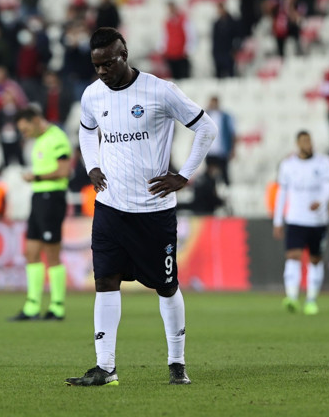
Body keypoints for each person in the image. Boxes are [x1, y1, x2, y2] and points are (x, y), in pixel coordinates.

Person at [66, 27, 218, 387]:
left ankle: (177, 363)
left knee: (166, 286)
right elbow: (86, 131)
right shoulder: (92, 96)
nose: (101, 71)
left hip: (154, 211)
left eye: (107, 63)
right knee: (105, 282)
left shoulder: (159, 91)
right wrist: (92, 166)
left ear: (124, 54)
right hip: (110, 208)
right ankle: (106, 368)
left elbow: (206, 129)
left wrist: (183, 176)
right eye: (96, 65)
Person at [8, 106, 73, 321]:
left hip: (52, 198)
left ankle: (57, 306)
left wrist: (35, 177)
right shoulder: (39, 141)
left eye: (25, 129)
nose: (24, 133)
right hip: (38, 199)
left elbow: (64, 170)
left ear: (36, 120)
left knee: (51, 253)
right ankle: (32, 306)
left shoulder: (57, 138)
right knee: (31, 252)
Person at [272, 131, 329, 315]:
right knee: (293, 256)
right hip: (295, 218)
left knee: (315, 259)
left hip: (318, 220)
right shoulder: (288, 165)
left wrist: (321, 201)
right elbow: (282, 194)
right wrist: (278, 220)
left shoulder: (324, 162)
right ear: (297, 143)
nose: (307, 144)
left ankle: (311, 300)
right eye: (303, 141)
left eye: (309, 140)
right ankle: (291, 297)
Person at [204, 95, 236, 186]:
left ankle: (227, 191)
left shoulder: (225, 116)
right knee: (209, 175)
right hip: (209, 151)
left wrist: (232, 149)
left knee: (224, 173)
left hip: (222, 151)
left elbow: (232, 133)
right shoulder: (206, 115)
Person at [161, 2, 195, 80]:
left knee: (184, 76)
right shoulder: (167, 22)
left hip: (182, 54)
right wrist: (164, 49)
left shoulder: (184, 20)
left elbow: (190, 34)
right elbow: (164, 36)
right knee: (174, 77)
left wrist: (188, 49)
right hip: (171, 54)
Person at [212, 2, 240, 77]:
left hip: (229, 52)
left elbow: (237, 37)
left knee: (230, 74)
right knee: (219, 75)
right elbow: (215, 40)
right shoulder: (216, 24)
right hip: (219, 53)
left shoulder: (232, 22)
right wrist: (214, 53)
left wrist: (235, 49)